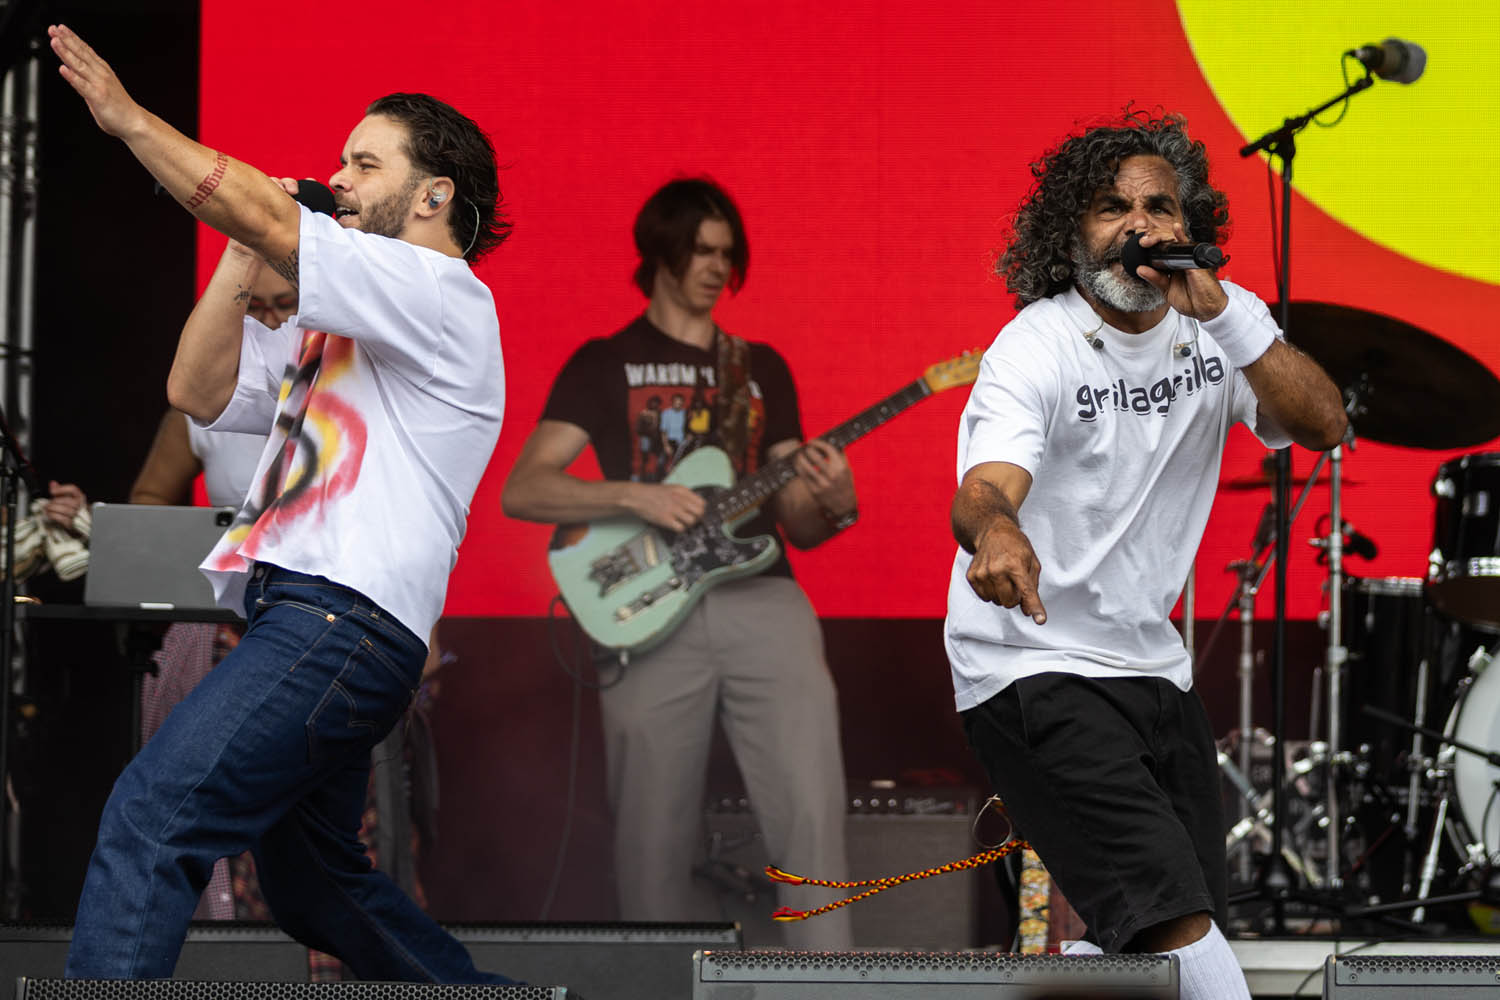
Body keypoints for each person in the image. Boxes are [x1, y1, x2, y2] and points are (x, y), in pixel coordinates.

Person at [49, 24, 511, 981]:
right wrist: (240, 251)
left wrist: (131, 122)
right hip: (311, 620)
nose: (338, 178)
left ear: (434, 196)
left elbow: (269, 214)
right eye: (342, 161)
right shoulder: (343, 328)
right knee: (311, 884)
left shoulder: (440, 292)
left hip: (338, 621)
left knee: (151, 816)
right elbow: (195, 392)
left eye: (365, 163)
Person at [945, 111, 1347, 999]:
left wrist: (1228, 320)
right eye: (1111, 208)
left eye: (1160, 207)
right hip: (1031, 664)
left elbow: (1325, 425)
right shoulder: (1038, 344)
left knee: (1148, 947)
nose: (1140, 225)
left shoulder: (1226, 321)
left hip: (1152, 669)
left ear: (1188, 226)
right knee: (1178, 926)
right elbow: (984, 487)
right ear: (1071, 236)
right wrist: (999, 531)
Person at [502, 177, 855, 949]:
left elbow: (799, 523)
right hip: (650, 607)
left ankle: (826, 981)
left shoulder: (760, 367)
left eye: (727, 254)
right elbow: (524, 489)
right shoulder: (605, 363)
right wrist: (634, 496)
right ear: (660, 253)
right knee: (650, 830)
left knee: (810, 807)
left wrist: (834, 499)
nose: (717, 268)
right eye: (701, 251)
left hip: (763, 598)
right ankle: (658, 982)